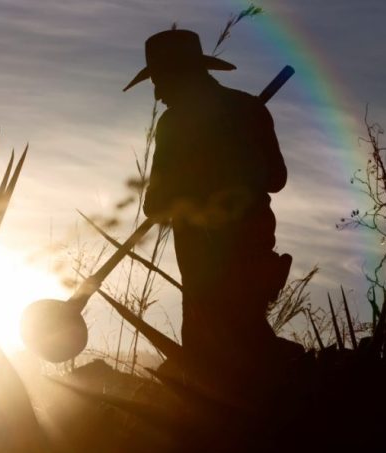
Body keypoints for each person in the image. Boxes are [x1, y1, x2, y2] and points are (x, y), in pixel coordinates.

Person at [123, 29, 292, 389]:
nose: (157, 92)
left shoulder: (174, 125)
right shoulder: (249, 109)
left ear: (182, 75)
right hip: (255, 244)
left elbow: (155, 204)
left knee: (213, 349)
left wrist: (203, 180)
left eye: (160, 80)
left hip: (206, 257)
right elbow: (276, 178)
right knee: (245, 333)